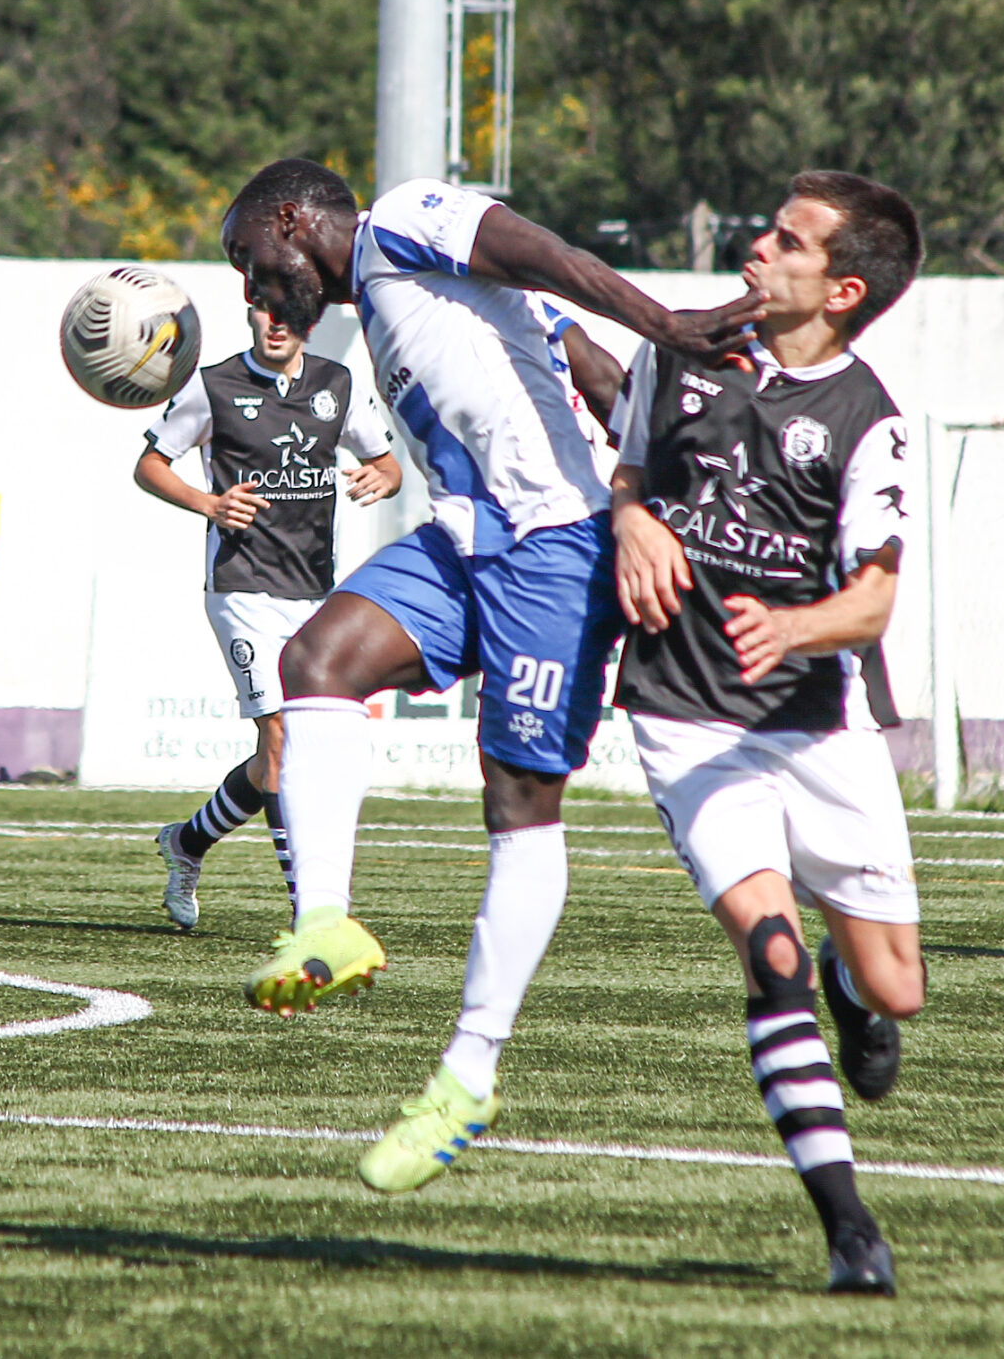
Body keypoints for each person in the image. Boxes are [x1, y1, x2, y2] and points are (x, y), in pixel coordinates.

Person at [218, 158, 760, 1193]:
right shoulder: (389, 305)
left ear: (292, 219)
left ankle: (467, 1074)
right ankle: (322, 921)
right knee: (315, 662)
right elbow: (577, 366)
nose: (254, 286)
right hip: (464, 543)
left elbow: (547, 261)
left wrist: (668, 333)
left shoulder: (406, 220)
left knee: (516, 801)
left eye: (251, 257)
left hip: (552, 544)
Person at [609, 170, 925, 1295]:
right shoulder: (680, 346)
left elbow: (874, 605)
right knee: (769, 952)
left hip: (813, 725)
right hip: (681, 717)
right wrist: (631, 518)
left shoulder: (866, 421)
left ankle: (853, 989)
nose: (756, 246)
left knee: (894, 991)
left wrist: (791, 625)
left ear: (839, 289)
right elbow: (628, 464)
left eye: (785, 242)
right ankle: (848, 1230)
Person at [136, 304, 402, 930]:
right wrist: (209, 502)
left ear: (309, 320)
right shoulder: (214, 385)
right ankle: (310, 913)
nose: (276, 322)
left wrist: (378, 479)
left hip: (313, 592)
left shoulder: (338, 386)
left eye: (290, 311)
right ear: (251, 315)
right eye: (265, 310)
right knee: (281, 741)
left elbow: (389, 464)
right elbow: (148, 465)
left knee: (277, 758)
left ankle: (188, 843)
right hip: (241, 588)